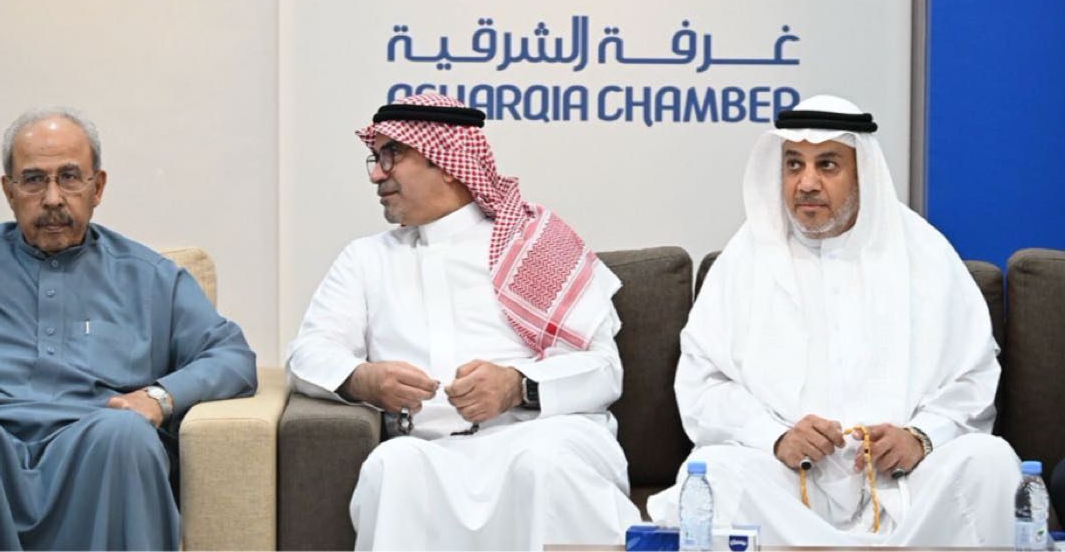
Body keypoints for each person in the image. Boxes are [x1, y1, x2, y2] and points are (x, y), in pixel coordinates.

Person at [0, 108, 257, 551]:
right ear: (8, 191)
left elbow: (231, 356)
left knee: (125, 435)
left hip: (93, 453)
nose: (52, 198)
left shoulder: (151, 277)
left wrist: (158, 398)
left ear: (98, 187)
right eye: (33, 180)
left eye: (69, 177)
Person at [647, 94, 1020, 546]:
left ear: (863, 174)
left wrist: (920, 437)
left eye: (827, 165)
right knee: (715, 474)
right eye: (793, 165)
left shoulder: (925, 255)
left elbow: (973, 376)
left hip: (902, 483)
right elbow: (704, 383)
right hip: (786, 481)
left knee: (990, 462)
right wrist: (775, 436)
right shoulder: (744, 260)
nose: (806, 183)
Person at [286, 93, 641, 550]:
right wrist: (362, 379)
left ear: (447, 163)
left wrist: (518, 385)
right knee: (392, 467)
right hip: (431, 449)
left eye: (392, 154)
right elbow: (307, 354)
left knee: (543, 464)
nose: (376, 173)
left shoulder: (534, 243)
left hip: (543, 433)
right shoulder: (366, 260)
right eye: (375, 158)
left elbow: (604, 370)